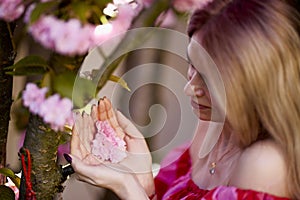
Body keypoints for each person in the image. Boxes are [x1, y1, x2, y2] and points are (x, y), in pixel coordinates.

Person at [64, 0, 300, 199]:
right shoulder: (216, 129)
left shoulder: (265, 165)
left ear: (256, 82)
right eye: (191, 66)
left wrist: (127, 188)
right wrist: (143, 183)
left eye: (207, 79)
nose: (189, 88)